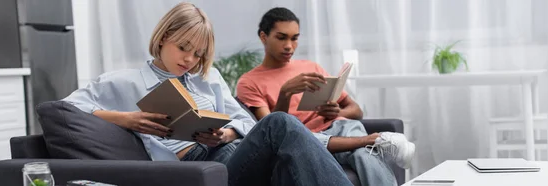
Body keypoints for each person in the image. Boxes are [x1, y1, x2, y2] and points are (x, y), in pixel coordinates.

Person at [62, 3, 353, 186]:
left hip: (233, 152)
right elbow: (67, 107)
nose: (189, 59)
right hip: (198, 166)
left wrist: (226, 134)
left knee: (284, 152)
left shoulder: (208, 78)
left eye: (198, 53)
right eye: (183, 47)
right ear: (163, 38)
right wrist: (127, 119)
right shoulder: (124, 82)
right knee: (280, 123)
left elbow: (244, 120)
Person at [236, 7, 416, 186]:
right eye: (281, 37)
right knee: (363, 150)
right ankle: (376, 140)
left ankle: (373, 142)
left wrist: (337, 112)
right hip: (308, 139)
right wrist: (285, 93)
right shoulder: (249, 81)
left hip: (339, 128)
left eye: (295, 38)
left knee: (364, 154)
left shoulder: (310, 67)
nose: (289, 46)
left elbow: (357, 111)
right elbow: (271, 130)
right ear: (263, 36)